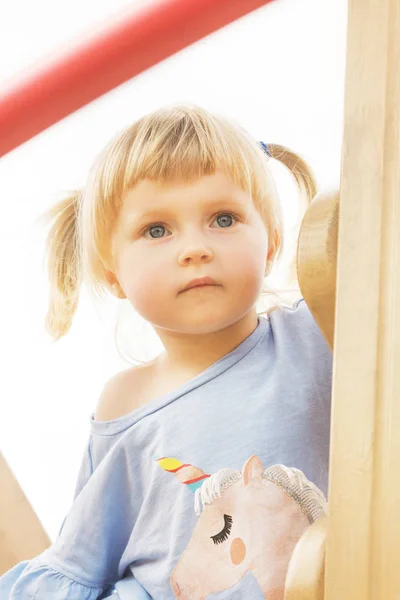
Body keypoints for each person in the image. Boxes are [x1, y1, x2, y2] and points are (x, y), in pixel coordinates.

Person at [0, 104, 332, 599]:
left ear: (271, 244)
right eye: (157, 230)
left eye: (223, 218)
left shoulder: (315, 336)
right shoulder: (124, 405)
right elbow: (83, 559)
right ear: (112, 273)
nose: (194, 248)